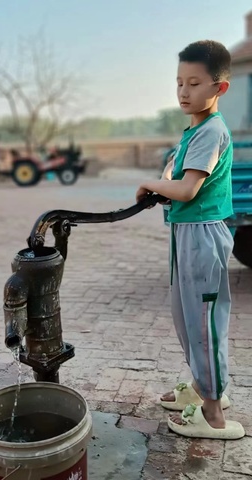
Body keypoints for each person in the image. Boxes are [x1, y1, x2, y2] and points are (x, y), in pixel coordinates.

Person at [135, 40, 245, 439]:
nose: (184, 92)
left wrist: (153, 183)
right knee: (187, 319)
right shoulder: (196, 129)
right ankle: (202, 388)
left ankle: (214, 414)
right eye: (179, 82)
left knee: (203, 324)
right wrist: (166, 177)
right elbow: (178, 176)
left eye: (195, 83)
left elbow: (187, 191)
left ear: (220, 88)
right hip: (187, 234)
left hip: (201, 236)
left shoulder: (210, 131)